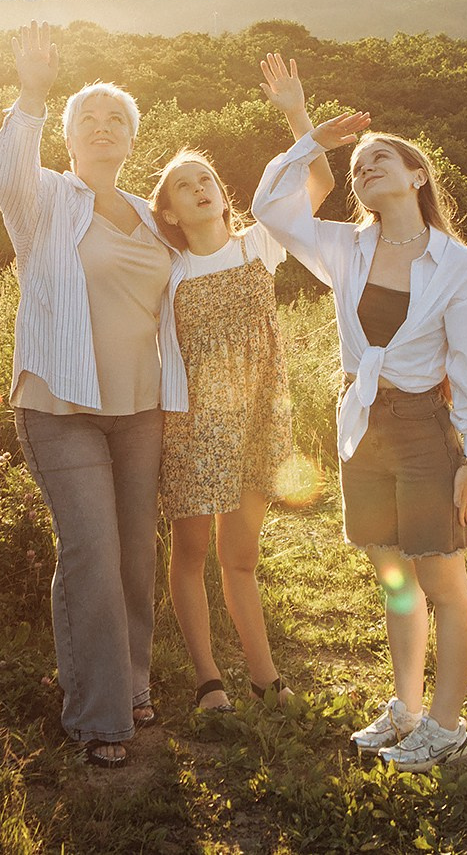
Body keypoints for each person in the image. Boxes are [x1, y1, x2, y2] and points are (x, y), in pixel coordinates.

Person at [251, 111, 467, 773]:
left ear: (418, 175)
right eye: (358, 165)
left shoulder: (462, 267)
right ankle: (408, 709)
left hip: (423, 429)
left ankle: (447, 729)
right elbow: (268, 206)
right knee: (394, 576)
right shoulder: (344, 247)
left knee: (441, 580)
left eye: (379, 156)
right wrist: (312, 140)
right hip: (361, 427)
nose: (364, 166)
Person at [0, 22, 184, 768]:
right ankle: (99, 718)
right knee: (94, 551)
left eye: (116, 121)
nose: (102, 129)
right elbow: (5, 170)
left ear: (132, 139)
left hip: (140, 409)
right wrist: (33, 93)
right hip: (59, 404)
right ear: (68, 138)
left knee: (136, 552)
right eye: (88, 120)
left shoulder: (152, 216)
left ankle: (132, 682)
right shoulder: (44, 199)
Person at [147, 54, 332, 714]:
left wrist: (295, 111)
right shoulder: (165, 273)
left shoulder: (260, 244)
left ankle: (262, 674)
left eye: (207, 179)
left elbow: (319, 179)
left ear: (223, 195)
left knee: (241, 554)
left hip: (258, 418)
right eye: (184, 185)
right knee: (192, 550)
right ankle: (208, 680)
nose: (200, 187)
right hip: (194, 427)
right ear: (166, 210)